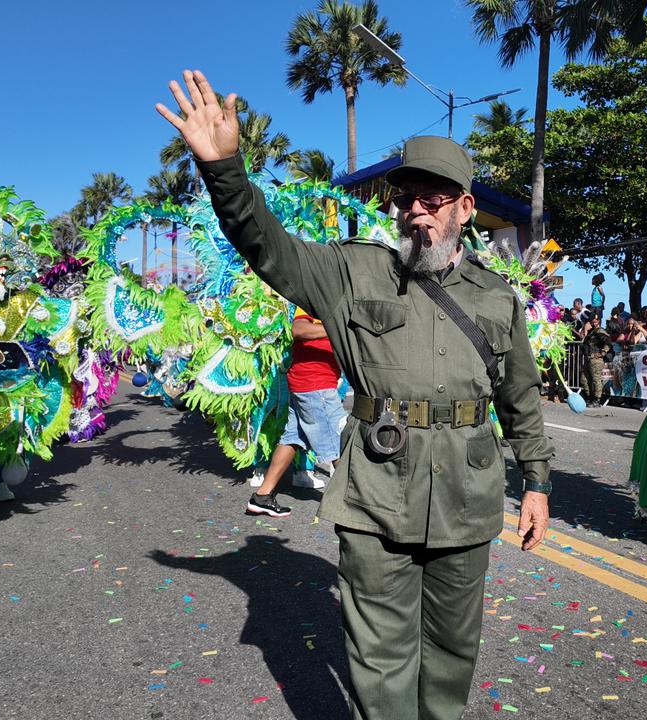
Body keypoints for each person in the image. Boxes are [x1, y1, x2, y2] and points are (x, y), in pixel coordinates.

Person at [157, 70, 553, 720]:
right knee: (382, 655)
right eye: (407, 199)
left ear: (463, 207)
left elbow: (521, 398)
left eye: (433, 198)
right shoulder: (351, 271)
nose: (417, 209)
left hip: (467, 492)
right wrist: (224, 169)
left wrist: (536, 481)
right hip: (378, 492)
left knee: (453, 649)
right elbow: (266, 245)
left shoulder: (496, 296)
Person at [245, 308, 346, 518]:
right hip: (315, 385)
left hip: (308, 383)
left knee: (293, 438)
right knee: (339, 444)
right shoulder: (311, 302)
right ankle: (357, 506)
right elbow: (298, 330)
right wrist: (335, 327)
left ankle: (262, 497)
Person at [580, 313, 609, 406]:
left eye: (595, 322)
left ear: (598, 321)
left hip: (595, 359)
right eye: (592, 322)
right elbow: (584, 343)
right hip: (588, 358)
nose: (593, 323)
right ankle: (589, 397)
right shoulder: (591, 332)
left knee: (596, 379)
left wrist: (602, 353)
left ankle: (597, 399)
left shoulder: (600, 331)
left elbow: (608, 341)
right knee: (584, 379)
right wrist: (585, 330)